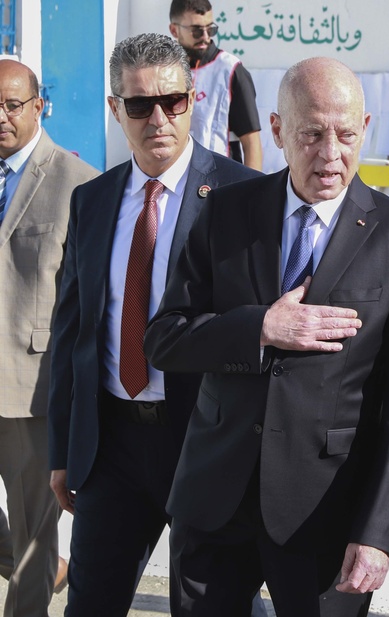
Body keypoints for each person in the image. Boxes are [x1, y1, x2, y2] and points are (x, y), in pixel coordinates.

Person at [143, 56, 389, 616]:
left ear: (365, 128)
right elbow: (165, 339)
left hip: (325, 511)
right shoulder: (224, 211)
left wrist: (377, 532)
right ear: (276, 130)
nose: (331, 154)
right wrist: (259, 327)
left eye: (346, 135)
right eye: (312, 134)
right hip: (215, 502)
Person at [46, 33, 259, 615]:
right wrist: (63, 448)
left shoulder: (245, 195)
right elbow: (73, 333)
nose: (158, 119)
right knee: (90, 605)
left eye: (173, 101)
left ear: (193, 99)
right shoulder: (92, 200)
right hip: (111, 446)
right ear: (115, 109)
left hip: (205, 442)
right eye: (140, 105)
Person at [0, 59, 98, 615]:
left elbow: (87, 307)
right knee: (27, 547)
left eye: (13, 105)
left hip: (32, 391)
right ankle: (49, 567)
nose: (1, 116)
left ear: (39, 107)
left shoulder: (77, 183)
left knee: (33, 538)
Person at [169, 0, 263, 171]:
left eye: (210, 29)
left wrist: (254, 187)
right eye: (197, 31)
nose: (206, 37)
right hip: (174, 179)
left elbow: (252, 142)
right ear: (174, 30)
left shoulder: (231, 70)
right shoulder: (165, 71)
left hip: (221, 180)